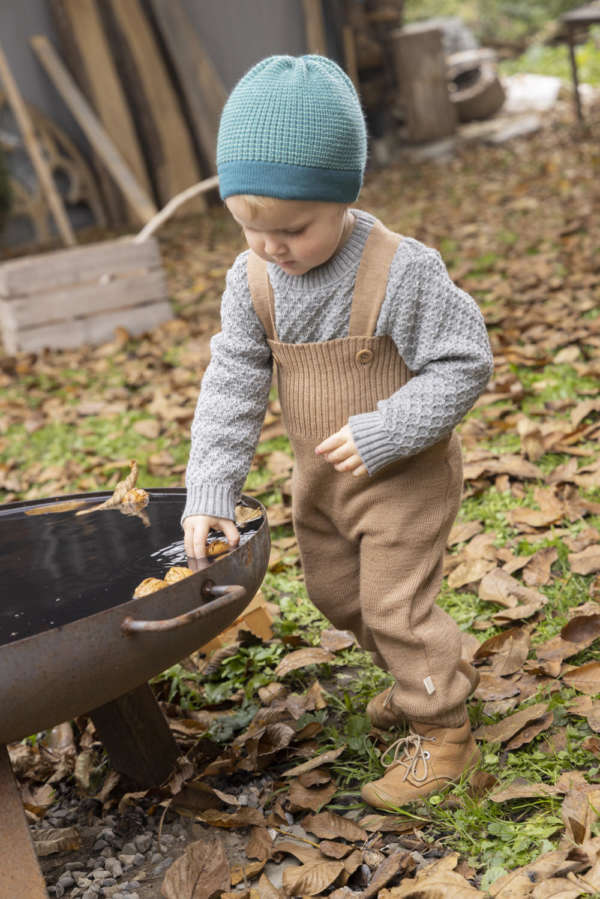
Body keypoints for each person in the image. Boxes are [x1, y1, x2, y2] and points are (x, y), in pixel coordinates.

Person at [182, 55, 494, 809]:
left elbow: (466, 362)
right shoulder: (251, 279)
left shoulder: (401, 270)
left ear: (345, 197)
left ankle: (445, 733)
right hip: (323, 481)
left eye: (292, 227)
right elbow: (232, 382)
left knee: (394, 603)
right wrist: (210, 486)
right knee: (336, 596)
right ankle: (417, 672)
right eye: (248, 225)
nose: (271, 247)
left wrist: (391, 429)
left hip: (402, 474)